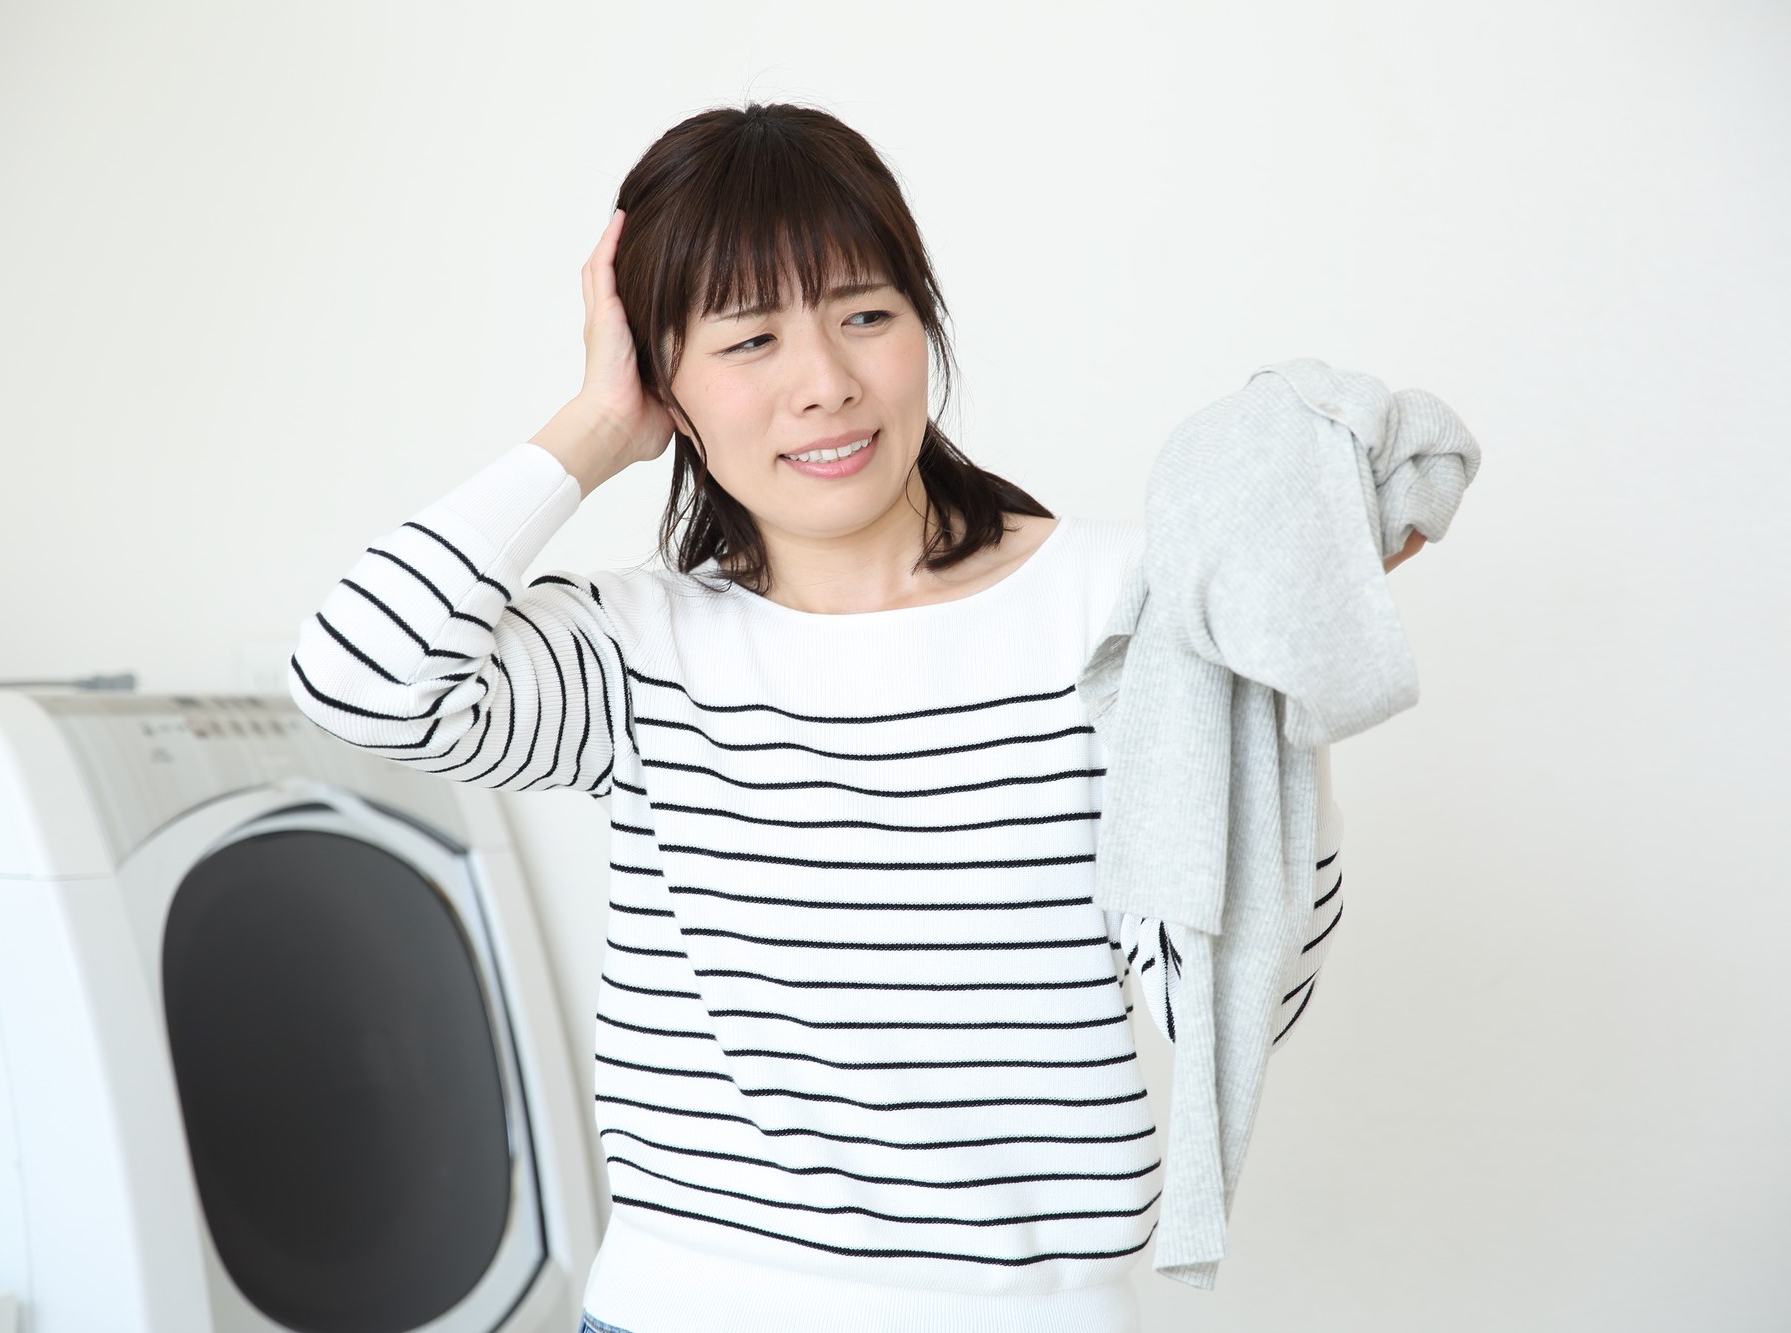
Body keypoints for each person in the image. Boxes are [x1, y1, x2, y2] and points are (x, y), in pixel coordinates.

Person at [289, 101, 1420, 1333]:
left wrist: (1272, 669)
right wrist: (597, 426)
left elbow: (1238, 1002)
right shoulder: (636, 650)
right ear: (666, 384)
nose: (824, 384)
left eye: (865, 316)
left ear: (922, 325)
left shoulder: (1119, 608)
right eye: (749, 339)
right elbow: (358, 679)